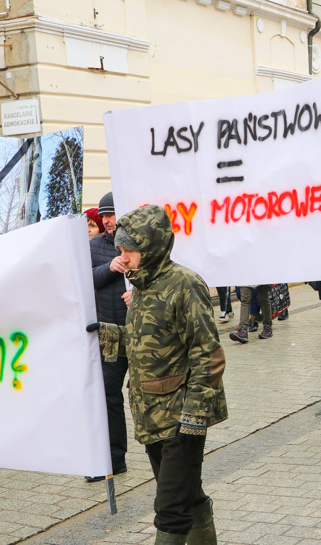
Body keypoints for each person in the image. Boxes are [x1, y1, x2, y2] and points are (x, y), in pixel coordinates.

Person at [88, 205, 227, 545]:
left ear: (150, 246)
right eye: (119, 250)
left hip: (181, 417)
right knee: (187, 496)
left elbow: (207, 354)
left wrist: (194, 417)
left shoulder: (184, 284)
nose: (123, 257)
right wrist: (105, 333)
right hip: (152, 416)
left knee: (169, 509)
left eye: (128, 250)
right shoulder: (142, 286)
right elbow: (146, 342)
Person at [87, 192, 129, 481]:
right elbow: (85, 278)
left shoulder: (143, 243)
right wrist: (109, 268)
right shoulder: (94, 246)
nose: (106, 220)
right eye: (103, 216)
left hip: (142, 332)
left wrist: (138, 293)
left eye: (110, 214)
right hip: (111, 335)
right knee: (107, 395)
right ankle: (114, 460)